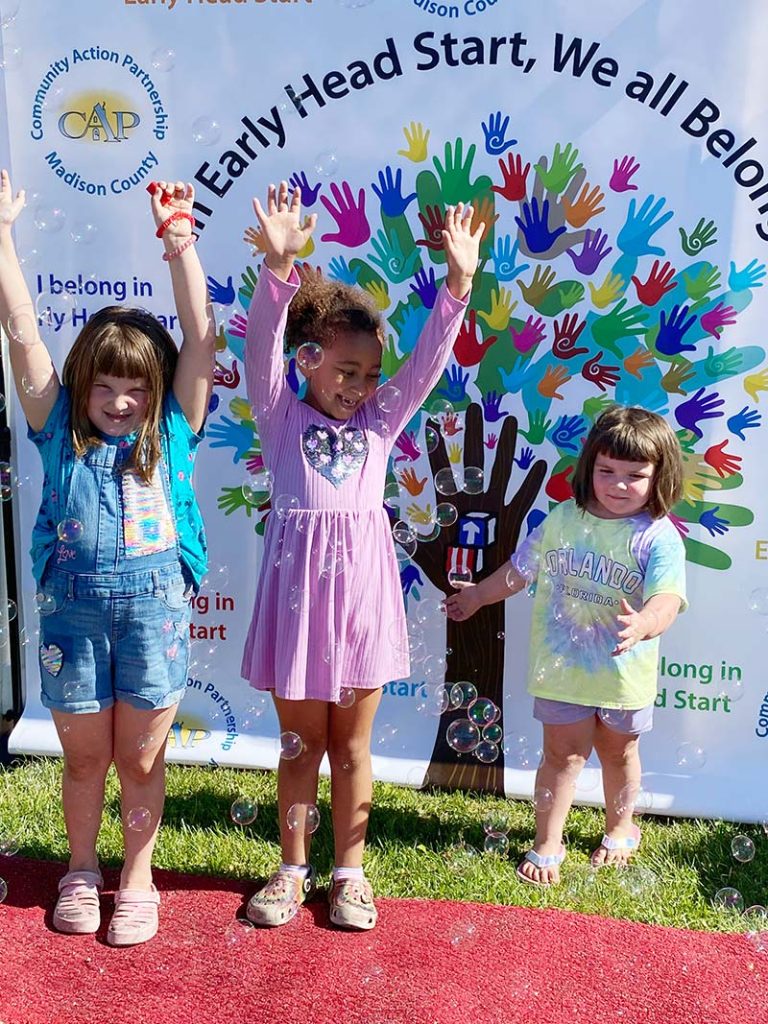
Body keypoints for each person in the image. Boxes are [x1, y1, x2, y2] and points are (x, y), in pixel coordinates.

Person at [241, 180, 482, 928]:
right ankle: (290, 870)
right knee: (299, 747)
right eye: (347, 372)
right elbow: (258, 345)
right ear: (308, 360)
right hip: (296, 604)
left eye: (371, 374)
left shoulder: (383, 420)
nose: (362, 387)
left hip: (361, 605)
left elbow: (428, 367)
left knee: (352, 747)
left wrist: (459, 285)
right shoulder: (279, 415)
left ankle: (349, 874)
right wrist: (280, 274)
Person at [0, 171, 215, 943]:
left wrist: (179, 242)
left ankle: (137, 878)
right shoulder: (56, 425)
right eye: (105, 387)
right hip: (74, 614)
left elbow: (200, 337)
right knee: (86, 760)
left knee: (141, 760)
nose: (120, 401)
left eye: (135, 389)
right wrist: (0, 236)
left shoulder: (177, 430)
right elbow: (24, 330)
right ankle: (82, 871)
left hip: (153, 613)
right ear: (82, 386)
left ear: (157, 393)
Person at [445, 405, 686, 886]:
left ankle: (620, 829)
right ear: (589, 468)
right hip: (562, 671)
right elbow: (520, 570)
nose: (619, 485)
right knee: (561, 757)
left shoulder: (658, 537)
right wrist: (476, 596)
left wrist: (644, 623)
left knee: (619, 755)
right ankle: (547, 841)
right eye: (607, 471)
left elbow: (668, 597)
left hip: (622, 673)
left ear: (661, 476)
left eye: (635, 475)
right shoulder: (563, 519)